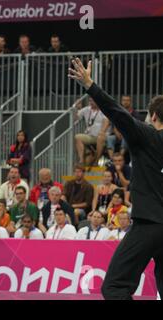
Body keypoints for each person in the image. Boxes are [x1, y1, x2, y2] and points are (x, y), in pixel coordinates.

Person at [68, 57, 163, 300]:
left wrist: (90, 85)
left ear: (152, 116)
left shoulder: (148, 135)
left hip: (149, 224)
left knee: (114, 287)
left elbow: (117, 113)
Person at [75, 97, 110, 165]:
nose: (91, 102)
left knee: (100, 136)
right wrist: (77, 108)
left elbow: (106, 122)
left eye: (93, 101)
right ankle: (81, 160)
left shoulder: (104, 109)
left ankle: (96, 161)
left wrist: (102, 131)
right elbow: (76, 118)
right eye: (90, 101)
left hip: (103, 136)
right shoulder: (87, 109)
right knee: (77, 137)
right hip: (90, 135)